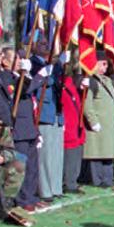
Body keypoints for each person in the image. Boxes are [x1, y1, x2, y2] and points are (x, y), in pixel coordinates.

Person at [2, 46, 48, 211]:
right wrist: (38, 76)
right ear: (5, 61)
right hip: (18, 127)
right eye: (16, 58)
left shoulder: (21, 77)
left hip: (29, 126)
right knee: (21, 166)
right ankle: (22, 199)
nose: (21, 61)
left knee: (32, 166)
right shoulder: (6, 77)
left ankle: (32, 196)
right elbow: (24, 90)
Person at [33, 42, 66, 202]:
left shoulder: (53, 65)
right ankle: (45, 190)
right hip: (44, 113)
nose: (47, 47)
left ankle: (56, 187)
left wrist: (60, 65)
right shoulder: (33, 63)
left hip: (56, 113)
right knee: (45, 155)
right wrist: (51, 70)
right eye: (43, 44)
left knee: (56, 154)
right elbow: (35, 86)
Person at [81, 56, 114, 188]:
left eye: (106, 65)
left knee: (107, 153)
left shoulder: (107, 80)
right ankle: (98, 180)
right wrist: (93, 121)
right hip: (98, 123)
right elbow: (87, 103)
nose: (104, 67)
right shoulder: (91, 80)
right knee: (97, 152)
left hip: (108, 124)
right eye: (102, 64)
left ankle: (107, 179)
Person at [61, 56, 85, 193]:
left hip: (75, 122)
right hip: (67, 122)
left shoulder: (71, 82)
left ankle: (73, 181)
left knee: (76, 154)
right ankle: (68, 182)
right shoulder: (62, 83)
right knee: (69, 155)